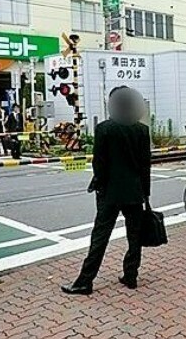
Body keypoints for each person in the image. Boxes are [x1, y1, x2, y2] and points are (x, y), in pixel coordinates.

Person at [62, 86, 151, 294]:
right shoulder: (142, 130)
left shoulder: (104, 129)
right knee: (134, 236)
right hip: (135, 192)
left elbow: (99, 164)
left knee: (100, 236)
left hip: (110, 192)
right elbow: (145, 165)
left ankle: (85, 280)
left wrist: (99, 186)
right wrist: (145, 193)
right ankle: (131, 276)